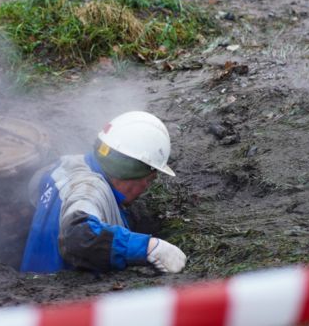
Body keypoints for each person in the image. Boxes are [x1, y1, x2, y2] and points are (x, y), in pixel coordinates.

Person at [20, 111, 188, 274]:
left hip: (30, 285)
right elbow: (77, 235)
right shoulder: (90, 189)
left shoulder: (65, 165)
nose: (146, 188)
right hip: (59, 294)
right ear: (135, 174)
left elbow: (34, 188)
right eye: (150, 180)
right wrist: (148, 247)